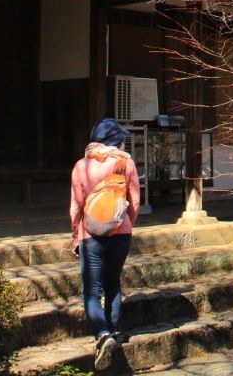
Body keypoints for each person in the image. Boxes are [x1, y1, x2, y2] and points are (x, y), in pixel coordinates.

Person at [71, 118, 140, 370]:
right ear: (115, 140)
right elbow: (134, 202)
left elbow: (76, 206)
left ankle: (102, 335)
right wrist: (125, 224)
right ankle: (110, 331)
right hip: (121, 233)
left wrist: (75, 234)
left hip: (90, 234)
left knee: (91, 289)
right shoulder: (126, 162)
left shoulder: (81, 166)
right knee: (113, 283)